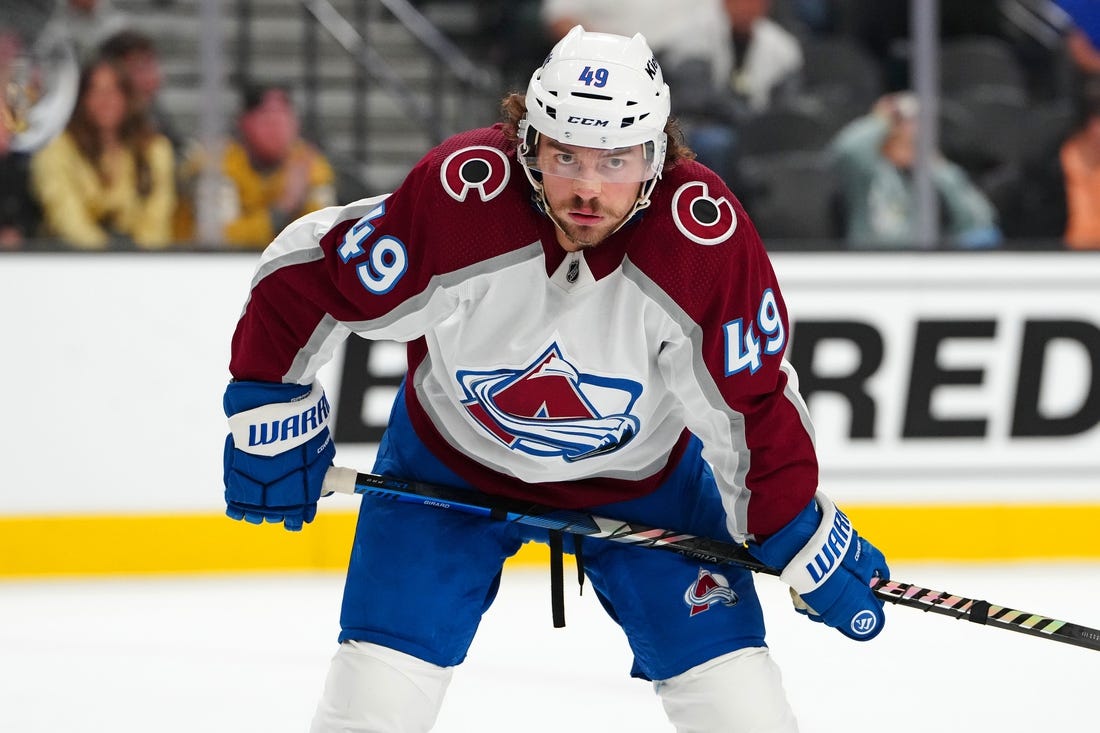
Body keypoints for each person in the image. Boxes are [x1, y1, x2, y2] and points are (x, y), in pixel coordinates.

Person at [221, 27, 890, 732]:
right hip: (448, 473)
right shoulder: (464, 199)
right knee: (371, 709)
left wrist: (796, 527)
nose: (587, 189)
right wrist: (270, 397)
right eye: (565, 155)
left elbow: (749, 404)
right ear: (527, 140)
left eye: (616, 160)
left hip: (648, 490)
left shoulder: (702, 239)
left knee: (745, 713)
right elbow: (310, 276)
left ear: (657, 155)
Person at [29, 54, 175, 249]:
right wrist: (105, 258)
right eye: (96, 91)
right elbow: (66, 217)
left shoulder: (154, 150)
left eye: (114, 90)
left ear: (127, 97)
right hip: (72, 261)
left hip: (142, 264)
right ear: (81, 98)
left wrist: (137, 260)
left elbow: (157, 221)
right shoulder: (55, 149)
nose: (106, 100)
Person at [828, 92, 1003, 249]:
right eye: (903, 133)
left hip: (919, 267)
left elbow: (980, 221)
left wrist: (940, 168)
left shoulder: (933, 176)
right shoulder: (868, 171)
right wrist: (884, 119)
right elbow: (847, 149)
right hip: (870, 265)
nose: (912, 135)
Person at [174, 83, 335, 248]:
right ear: (244, 122)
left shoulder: (308, 165)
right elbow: (222, 241)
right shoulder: (215, 164)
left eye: (285, 117)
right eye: (267, 117)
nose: (277, 128)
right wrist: (283, 208)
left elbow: (323, 239)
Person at [98, 29, 182, 157]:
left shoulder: (153, 112)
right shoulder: (102, 125)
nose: (153, 75)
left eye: (152, 65)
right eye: (141, 67)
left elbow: (178, 149)